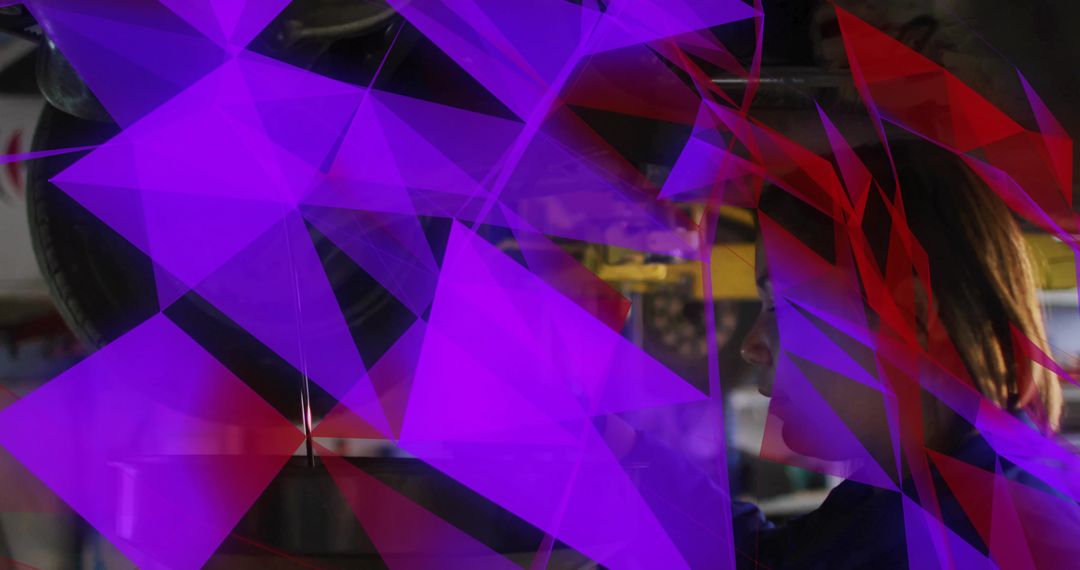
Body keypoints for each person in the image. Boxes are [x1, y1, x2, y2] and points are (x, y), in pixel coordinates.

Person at [728, 138, 1077, 568]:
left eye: (783, 305)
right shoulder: (912, 493)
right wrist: (627, 452)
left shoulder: (1000, 543)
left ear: (907, 316)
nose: (751, 346)